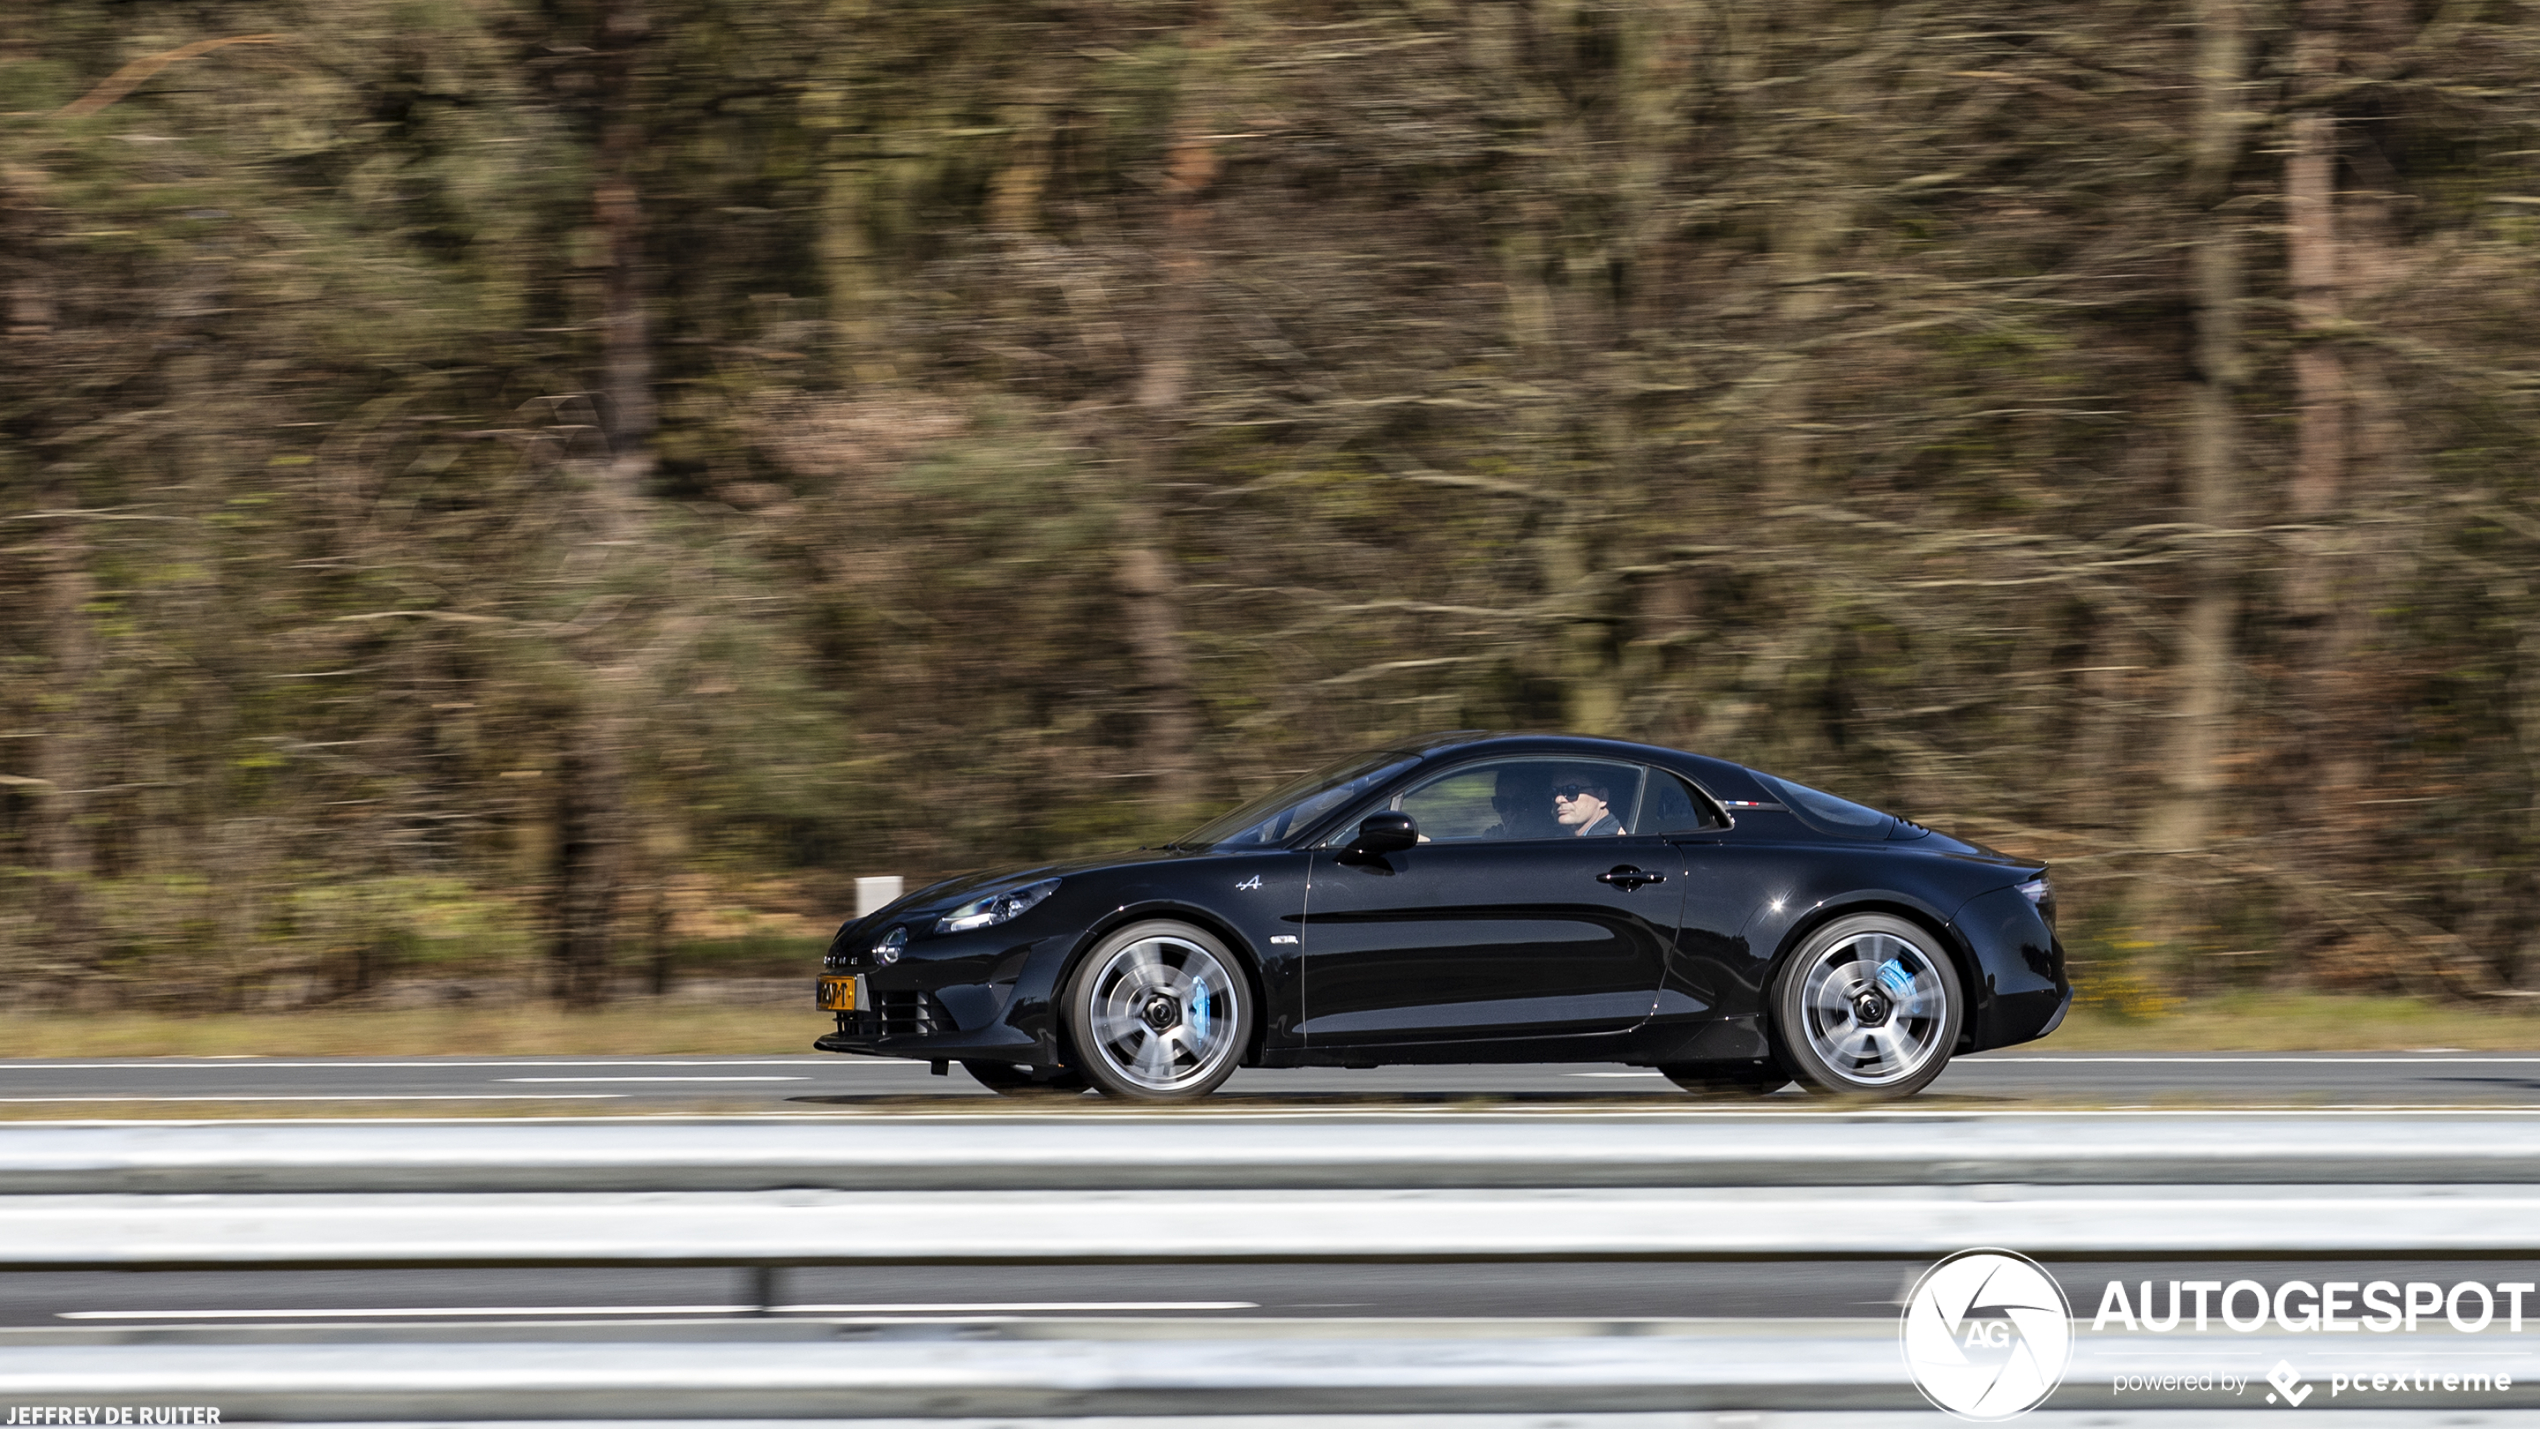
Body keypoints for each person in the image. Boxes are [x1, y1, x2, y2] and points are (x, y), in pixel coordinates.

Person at [1552, 771, 1624, 837]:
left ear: (1602, 796)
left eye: (1571, 790)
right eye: (1554, 792)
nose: (1558, 800)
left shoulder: (1606, 843)